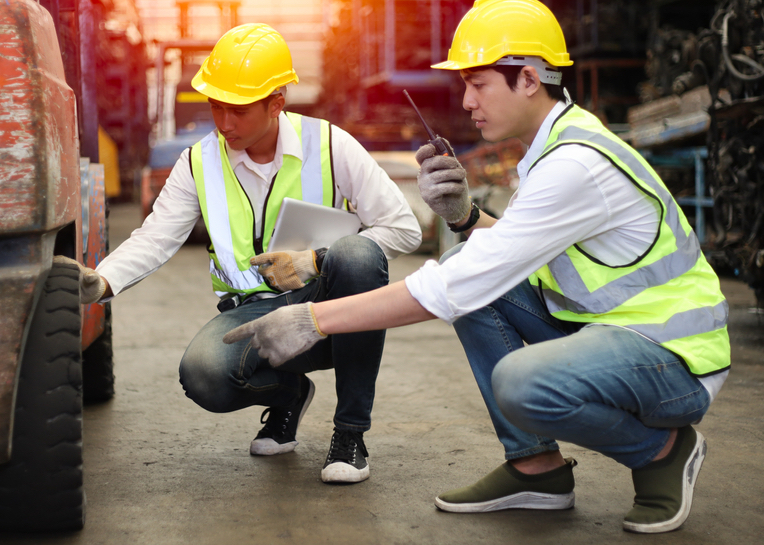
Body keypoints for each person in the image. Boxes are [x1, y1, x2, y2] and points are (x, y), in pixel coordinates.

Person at [222, 0, 730, 533]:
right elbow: (508, 251)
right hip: (614, 333)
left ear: (529, 79)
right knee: (467, 257)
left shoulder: (574, 164)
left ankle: (661, 451)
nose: (466, 101)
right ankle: (536, 469)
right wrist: (465, 216)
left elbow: (454, 288)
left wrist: (314, 321)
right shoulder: (552, 146)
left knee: (520, 381)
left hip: (673, 359)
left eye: (478, 84)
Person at [64, 23, 421, 484]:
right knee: (204, 374)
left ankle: (350, 433)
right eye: (215, 106)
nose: (224, 123)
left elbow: (403, 228)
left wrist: (314, 260)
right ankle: (289, 395)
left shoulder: (331, 145)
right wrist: (103, 279)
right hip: (253, 314)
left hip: (327, 310)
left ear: (277, 103)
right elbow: (156, 237)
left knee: (356, 255)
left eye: (238, 110)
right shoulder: (198, 161)